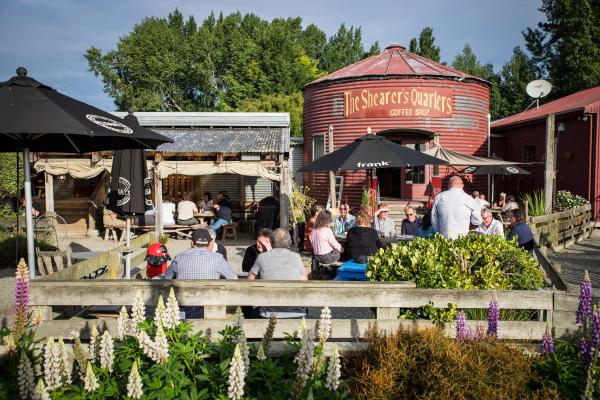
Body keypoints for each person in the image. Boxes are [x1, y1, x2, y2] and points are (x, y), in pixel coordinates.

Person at [248, 228, 307, 318]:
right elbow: (304, 281)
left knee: (249, 315)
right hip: (296, 312)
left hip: (268, 313)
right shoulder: (296, 257)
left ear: (271, 241)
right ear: (289, 242)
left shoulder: (262, 257)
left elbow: (249, 280)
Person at [162, 228, 237, 279]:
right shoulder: (218, 258)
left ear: (192, 243)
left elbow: (167, 278)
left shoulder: (178, 258)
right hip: (211, 300)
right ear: (209, 243)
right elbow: (234, 279)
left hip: (185, 300)